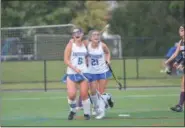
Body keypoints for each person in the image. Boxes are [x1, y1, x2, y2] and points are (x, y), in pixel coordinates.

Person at [85, 30, 113, 119]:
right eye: (94, 35)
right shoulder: (87, 45)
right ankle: (98, 106)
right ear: (90, 38)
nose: (96, 36)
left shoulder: (103, 45)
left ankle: (101, 111)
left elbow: (108, 53)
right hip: (91, 72)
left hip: (102, 71)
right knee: (93, 91)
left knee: (100, 92)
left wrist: (108, 60)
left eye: (98, 35)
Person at [64, 28, 91, 120]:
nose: (77, 34)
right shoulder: (70, 45)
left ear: (82, 34)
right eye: (75, 33)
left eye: (79, 33)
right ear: (73, 36)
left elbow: (87, 55)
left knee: (84, 94)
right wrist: (75, 68)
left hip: (84, 72)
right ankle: (73, 110)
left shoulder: (85, 44)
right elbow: (66, 60)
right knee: (72, 95)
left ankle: (87, 114)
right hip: (72, 73)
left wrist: (86, 63)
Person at [165, 24, 185, 112]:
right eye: (180, 30)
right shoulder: (181, 42)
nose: (180, 31)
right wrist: (169, 61)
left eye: (182, 29)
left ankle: (180, 105)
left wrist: (182, 63)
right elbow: (176, 54)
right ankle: (180, 105)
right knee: (183, 85)